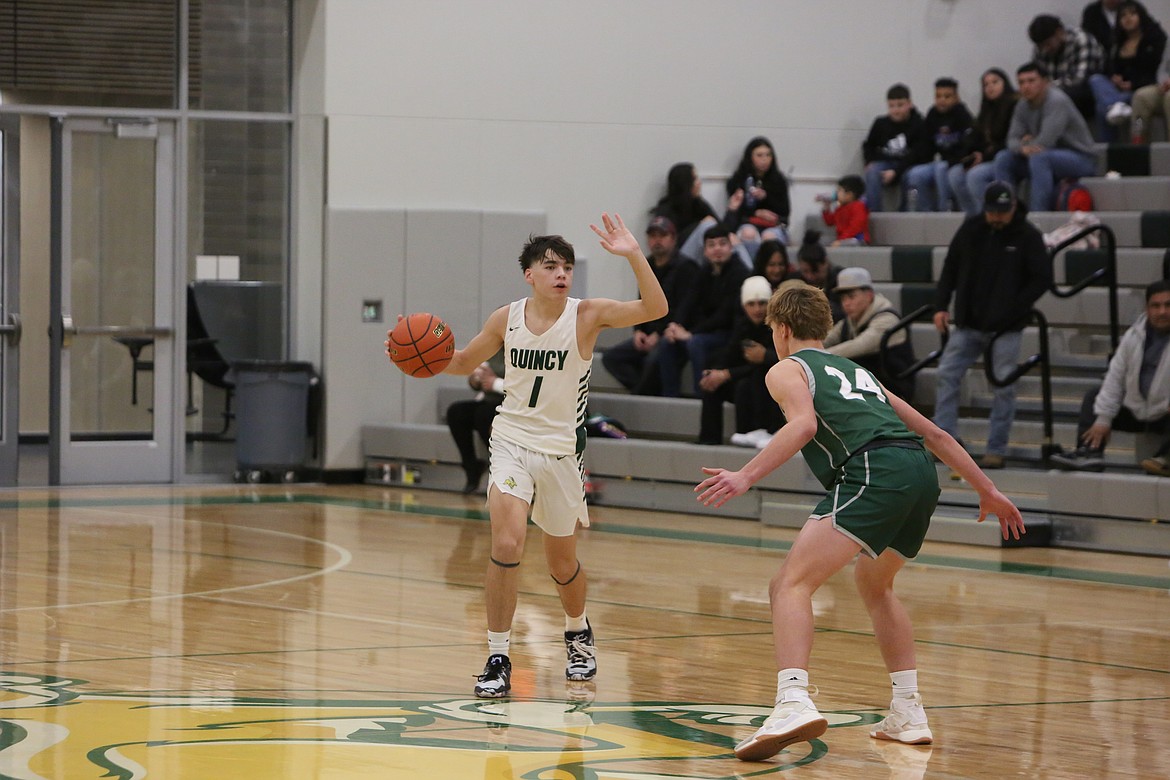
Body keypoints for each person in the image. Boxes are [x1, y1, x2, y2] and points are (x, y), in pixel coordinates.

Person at [694, 283, 1025, 762]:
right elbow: (932, 431)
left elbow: (803, 426)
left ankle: (792, 701)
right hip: (918, 474)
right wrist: (986, 489)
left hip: (875, 470)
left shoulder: (787, 369)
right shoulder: (856, 370)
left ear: (782, 330)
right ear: (823, 327)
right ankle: (908, 712)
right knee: (875, 585)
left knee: (788, 584)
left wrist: (746, 475)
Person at [424, 213, 667, 698]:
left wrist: (633, 254)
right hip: (512, 441)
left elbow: (655, 307)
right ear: (529, 274)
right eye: (551, 266)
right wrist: (424, 361)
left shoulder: (588, 314)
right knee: (507, 545)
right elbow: (463, 362)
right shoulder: (505, 317)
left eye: (568, 267)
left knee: (561, 564)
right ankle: (497, 656)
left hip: (560, 453)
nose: (561, 274)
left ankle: (578, 630)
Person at [932, 182, 1053, 469]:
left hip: (1006, 327)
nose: (998, 217)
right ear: (985, 209)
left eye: (1003, 211)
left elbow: (1042, 278)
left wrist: (1014, 308)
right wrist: (940, 305)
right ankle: (945, 441)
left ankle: (996, 447)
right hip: (969, 322)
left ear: (1013, 207)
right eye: (993, 212)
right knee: (946, 373)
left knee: (1003, 385)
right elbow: (950, 268)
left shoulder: (1027, 236)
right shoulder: (971, 229)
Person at [1050, 279, 1170, 474]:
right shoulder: (1133, 336)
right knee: (1093, 397)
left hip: (1165, 413)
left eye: (1168, 305)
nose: (1162, 311)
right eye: (1155, 306)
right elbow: (1115, 376)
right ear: (1147, 309)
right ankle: (1089, 452)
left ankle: (1166, 458)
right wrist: (1103, 419)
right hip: (1138, 409)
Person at [601, 216, 699, 395]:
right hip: (648, 333)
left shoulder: (686, 267)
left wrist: (658, 334)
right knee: (611, 358)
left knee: (655, 359)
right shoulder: (647, 264)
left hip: (673, 335)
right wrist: (638, 331)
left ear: (673, 238)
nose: (657, 240)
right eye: (653, 236)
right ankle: (645, 391)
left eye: (662, 235)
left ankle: (641, 394)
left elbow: (685, 309)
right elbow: (642, 300)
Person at [658, 224, 750, 397]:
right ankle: (669, 396)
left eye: (722, 244)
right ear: (705, 250)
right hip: (707, 331)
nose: (717, 249)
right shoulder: (705, 270)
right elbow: (688, 301)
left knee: (696, 343)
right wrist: (674, 325)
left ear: (731, 247)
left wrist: (691, 333)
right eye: (712, 245)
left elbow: (724, 316)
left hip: (729, 333)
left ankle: (701, 395)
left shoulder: (740, 273)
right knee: (666, 341)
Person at [993, 62, 1097, 213]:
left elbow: (1045, 142)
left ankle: (1038, 217)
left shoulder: (1057, 100)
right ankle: (1005, 213)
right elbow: (1011, 140)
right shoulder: (1022, 105)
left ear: (1045, 82)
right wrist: (1022, 148)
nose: (1026, 86)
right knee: (1003, 158)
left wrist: (1027, 142)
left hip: (1080, 158)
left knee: (1039, 158)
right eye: (1021, 82)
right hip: (1045, 157)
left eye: (1031, 81)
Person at [696, 276, 783, 447]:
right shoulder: (743, 326)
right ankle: (708, 439)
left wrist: (728, 373)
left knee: (752, 379)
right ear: (744, 306)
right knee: (713, 384)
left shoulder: (777, 327)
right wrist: (715, 372)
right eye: (751, 304)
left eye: (762, 303)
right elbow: (729, 355)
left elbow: (781, 361)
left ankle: (756, 432)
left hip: (769, 384)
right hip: (746, 377)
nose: (757, 309)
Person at [823, 268, 916, 401]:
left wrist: (817, 355)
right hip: (866, 390)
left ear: (869, 295)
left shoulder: (887, 319)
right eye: (843, 298)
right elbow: (825, 339)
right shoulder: (848, 322)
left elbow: (860, 345)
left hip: (893, 391)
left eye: (851, 297)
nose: (846, 303)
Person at [1088, 1, 1167, 140]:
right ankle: (1115, 106)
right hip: (1119, 90)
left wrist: (1132, 84)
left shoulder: (1154, 39)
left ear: (1141, 16)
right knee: (1096, 79)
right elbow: (1109, 68)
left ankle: (1130, 136)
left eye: (1132, 14)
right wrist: (1115, 78)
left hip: (1143, 87)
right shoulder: (1117, 43)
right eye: (1123, 15)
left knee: (1103, 109)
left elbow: (1155, 70)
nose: (1128, 18)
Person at [950, 68, 1019, 217]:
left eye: (995, 82)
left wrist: (984, 157)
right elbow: (975, 136)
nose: (990, 87)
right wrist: (973, 154)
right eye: (986, 84)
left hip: (1006, 159)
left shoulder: (1014, 106)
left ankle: (989, 216)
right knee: (955, 174)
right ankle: (973, 217)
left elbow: (1009, 141)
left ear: (1005, 83)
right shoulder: (986, 110)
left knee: (975, 175)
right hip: (987, 158)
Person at [903, 78, 975, 212]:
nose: (942, 100)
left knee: (941, 168)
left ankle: (945, 210)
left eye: (947, 96)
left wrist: (953, 161)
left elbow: (969, 144)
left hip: (958, 162)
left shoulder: (962, 114)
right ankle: (926, 212)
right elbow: (926, 145)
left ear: (956, 97)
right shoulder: (932, 114)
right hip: (941, 163)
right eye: (938, 96)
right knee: (915, 173)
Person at [1027, 14, 1106, 121]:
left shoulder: (1081, 40)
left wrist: (1046, 88)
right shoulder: (1040, 48)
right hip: (1054, 92)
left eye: (1048, 44)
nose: (1044, 50)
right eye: (1040, 46)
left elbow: (1080, 80)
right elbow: (1037, 76)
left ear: (1059, 33)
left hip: (1085, 94)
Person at [861, 83, 925, 212]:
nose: (895, 110)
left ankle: (906, 213)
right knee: (872, 171)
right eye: (891, 106)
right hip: (886, 162)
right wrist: (869, 161)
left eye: (900, 105)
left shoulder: (919, 123)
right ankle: (875, 214)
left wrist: (896, 171)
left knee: (912, 176)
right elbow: (868, 145)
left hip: (907, 164)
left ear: (909, 103)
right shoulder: (880, 123)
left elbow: (917, 154)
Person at [447, 353, 505, 493]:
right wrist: (476, 379)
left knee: (484, 415)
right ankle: (471, 467)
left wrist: (495, 383)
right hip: (489, 401)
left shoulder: (522, 346)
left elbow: (526, 387)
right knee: (456, 412)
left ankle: (499, 467)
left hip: (512, 405)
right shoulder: (493, 346)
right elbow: (476, 376)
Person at [725, 136, 791, 246]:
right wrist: (756, 213)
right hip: (747, 223)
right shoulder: (738, 180)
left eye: (768, 155)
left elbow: (785, 211)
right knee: (748, 233)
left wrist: (766, 197)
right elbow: (735, 211)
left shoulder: (779, 180)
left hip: (774, 225)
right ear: (750, 157)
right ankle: (750, 264)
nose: (764, 159)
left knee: (768, 237)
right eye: (759, 155)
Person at [651, 162, 720, 262]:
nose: (699, 182)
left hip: (701, 255)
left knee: (740, 236)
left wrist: (731, 212)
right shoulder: (666, 210)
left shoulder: (699, 204)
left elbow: (720, 227)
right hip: (677, 256)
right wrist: (699, 225)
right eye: (695, 178)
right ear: (686, 183)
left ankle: (746, 275)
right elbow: (671, 242)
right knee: (707, 226)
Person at [796, 233, 844, 322]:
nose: (810, 277)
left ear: (825, 262)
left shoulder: (841, 279)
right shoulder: (796, 280)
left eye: (815, 271)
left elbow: (842, 312)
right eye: (805, 271)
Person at [817, 175, 871, 245]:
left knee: (849, 243)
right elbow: (830, 222)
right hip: (843, 239)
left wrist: (841, 240)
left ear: (849, 194)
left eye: (839, 190)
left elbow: (855, 227)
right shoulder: (840, 208)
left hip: (857, 239)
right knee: (821, 241)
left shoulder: (858, 206)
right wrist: (826, 206)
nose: (836, 193)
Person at [1131, 52, 1170, 141]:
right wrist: (1163, 83)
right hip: (1165, 87)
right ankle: (1138, 145)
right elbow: (1164, 67)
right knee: (1141, 96)